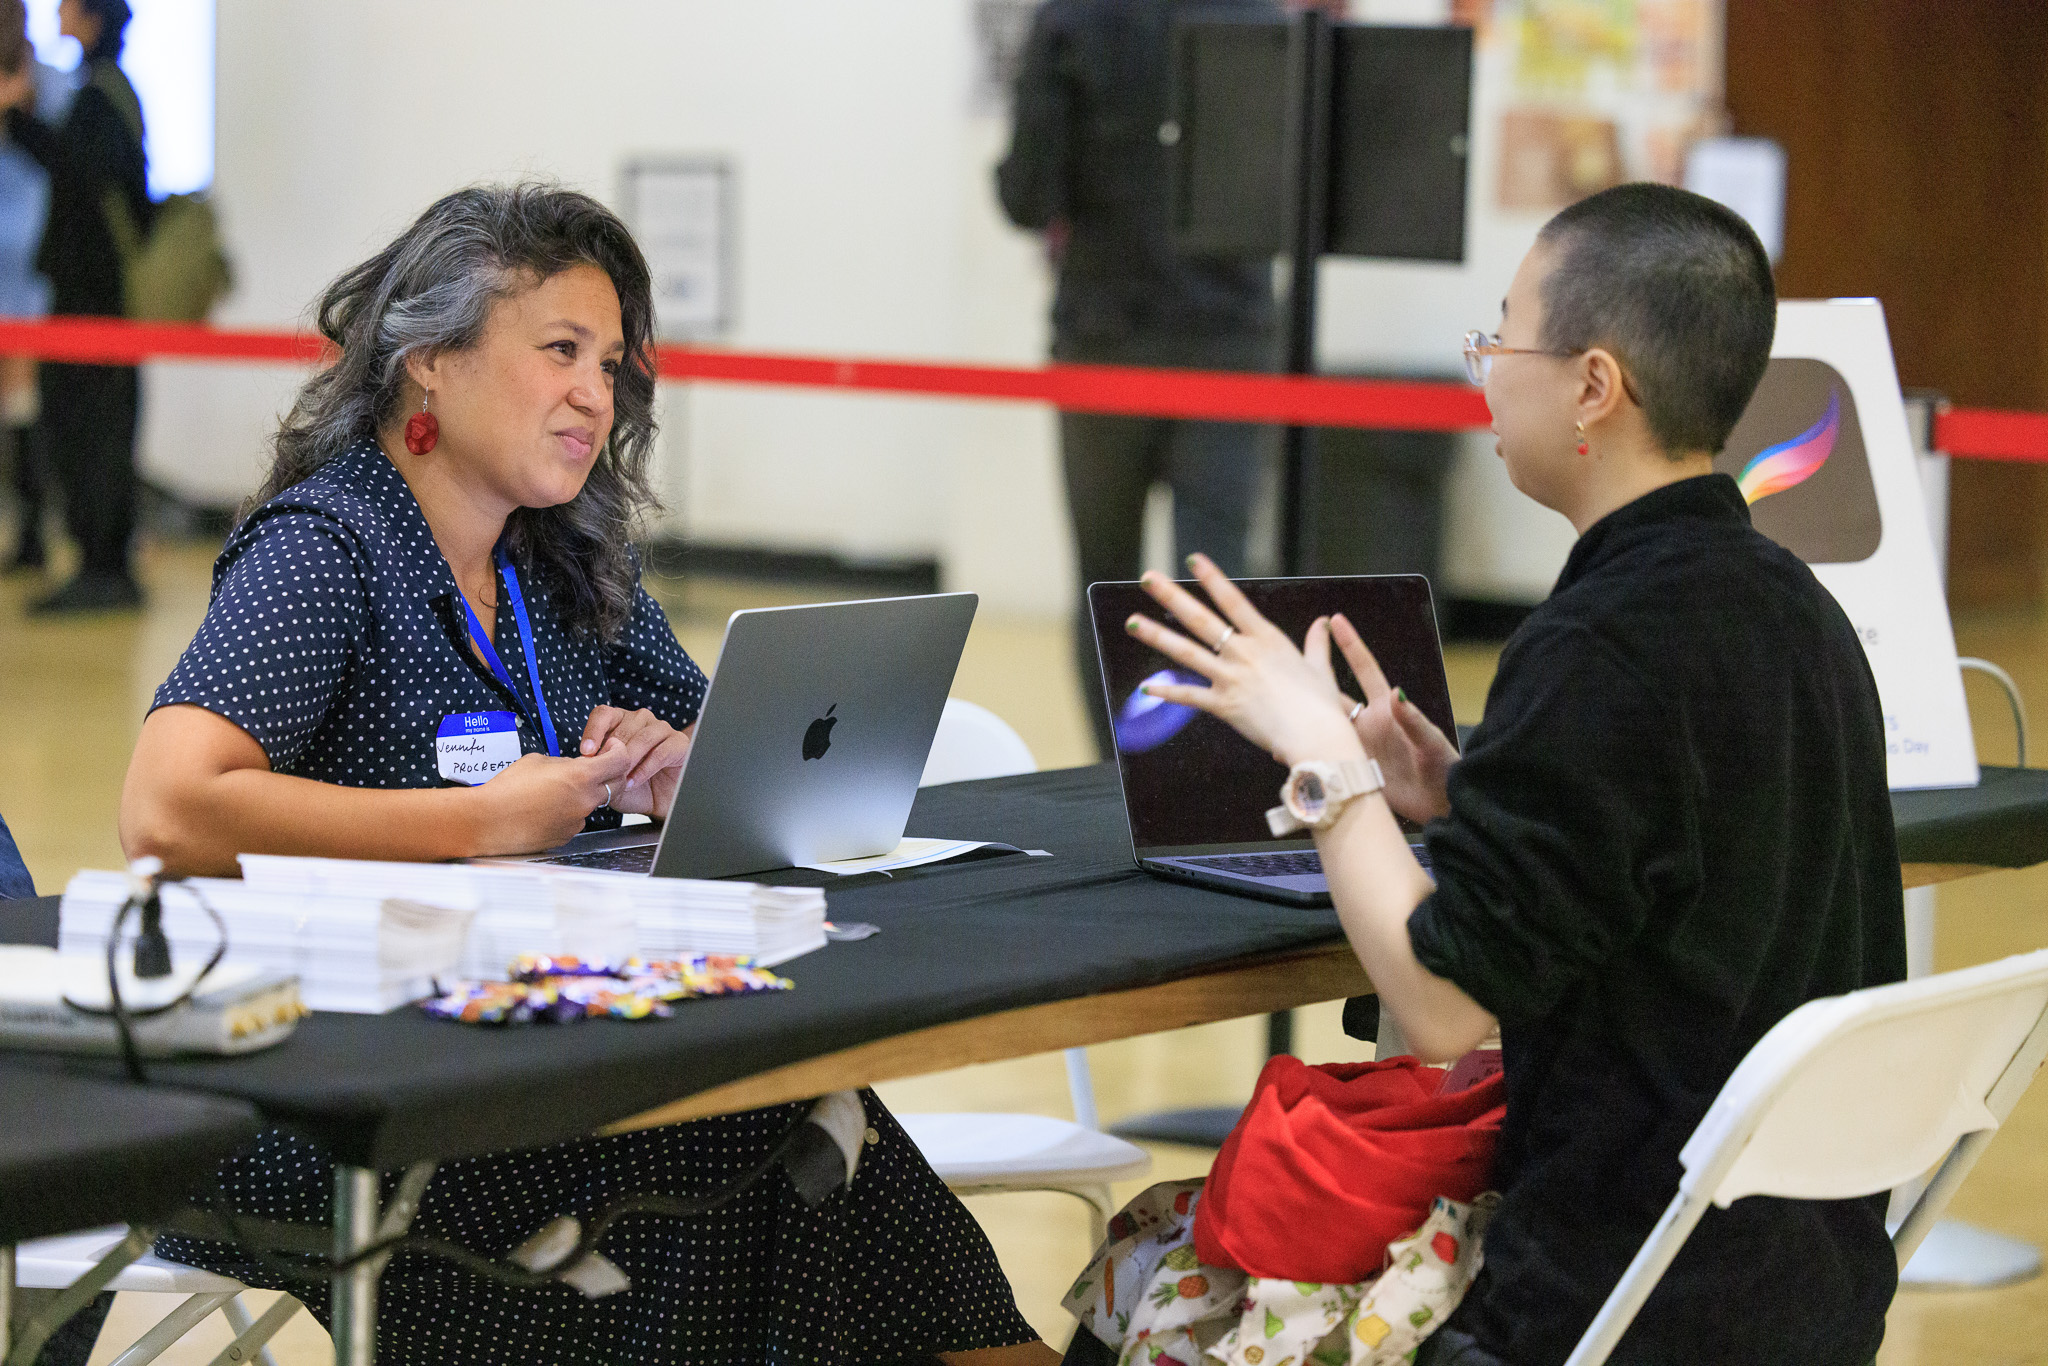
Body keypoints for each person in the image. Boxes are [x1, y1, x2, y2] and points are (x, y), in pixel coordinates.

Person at [119, 183, 1054, 1366]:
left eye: (609, 363)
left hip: (537, 1051)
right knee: (743, 1138)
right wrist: (473, 823)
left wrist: (682, 768)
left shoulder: (557, 560)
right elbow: (164, 810)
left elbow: (726, 740)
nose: (593, 395)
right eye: (559, 350)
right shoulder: (328, 547)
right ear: (430, 364)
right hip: (341, 1091)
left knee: (786, 1116)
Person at [1099, 184, 1902, 1364]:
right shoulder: (1793, 607)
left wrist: (1324, 764)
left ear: (1591, 385)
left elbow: (1436, 1009)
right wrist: (1468, 797)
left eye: (1502, 333)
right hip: (1804, 1288)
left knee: (1150, 1278)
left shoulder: (1597, 648)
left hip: (1611, 1301)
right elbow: (1669, 864)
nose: (1483, 365)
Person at [996, 0, 1279, 757]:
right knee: (1217, 587)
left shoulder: (1071, 21)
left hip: (1104, 337)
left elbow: (1027, 193)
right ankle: (1205, 786)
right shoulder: (1258, 16)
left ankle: (1117, 782)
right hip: (1228, 338)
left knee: (1106, 586)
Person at [0, 0, 148, 613]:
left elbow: (80, 171)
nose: (54, 13)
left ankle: (102, 568)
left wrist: (16, 117)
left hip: (94, 299)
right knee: (79, 425)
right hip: (89, 295)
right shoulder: (101, 89)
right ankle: (99, 562)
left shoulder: (101, 93)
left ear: (88, 17)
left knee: (91, 430)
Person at [0, 0, 70, 573]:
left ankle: (31, 531)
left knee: (24, 404)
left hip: (31, 274)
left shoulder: (49, 83)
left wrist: (20, 108)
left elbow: (65, 167)